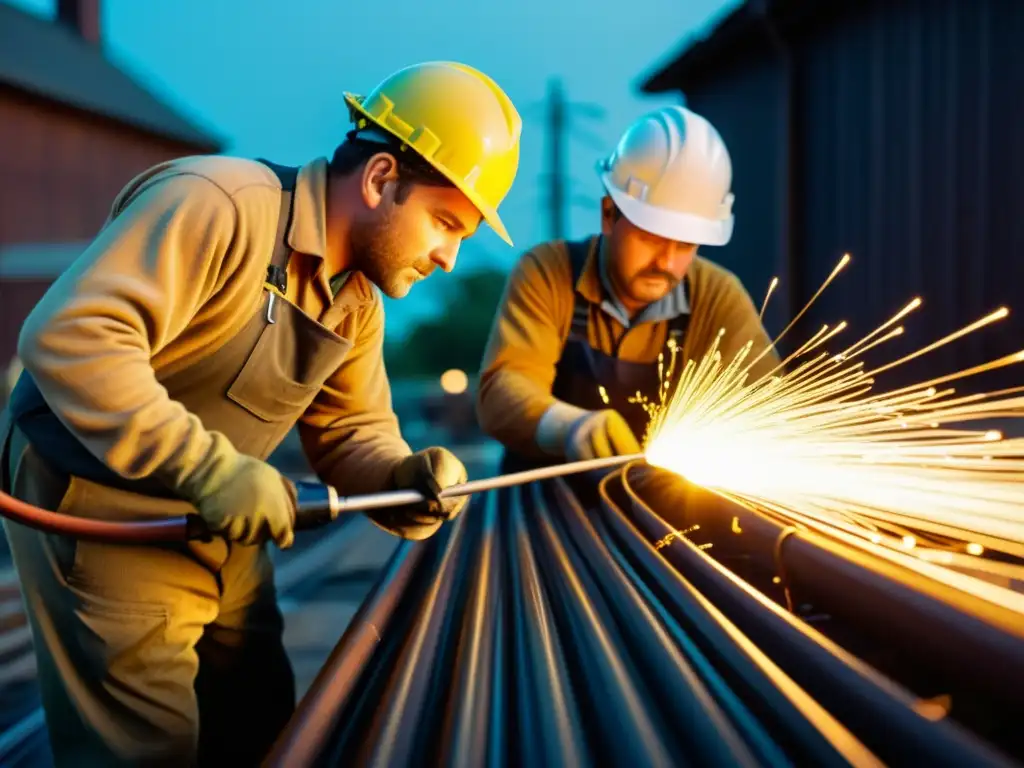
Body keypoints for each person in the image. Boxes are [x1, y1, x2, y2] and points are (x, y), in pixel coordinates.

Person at [0, 61, 521, 766]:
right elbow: (72, 337)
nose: (452, 258)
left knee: (261, 717)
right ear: (379, 180)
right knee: (145, 748)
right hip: (104, 509)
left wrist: (401, 472)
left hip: (220, 512)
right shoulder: (216, 204)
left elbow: (348, 432)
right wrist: (210, 470)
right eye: (446, 223)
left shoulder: (356, 301)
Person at [477, 105, 779, 471]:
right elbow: (503, 389)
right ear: (609, 215)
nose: (666, 262)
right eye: (651, 237)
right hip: (542, 504)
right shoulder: (548, 272)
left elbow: (766, 411)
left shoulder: (717, 296)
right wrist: (568, 427)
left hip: (655, 512)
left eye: (685, 245)